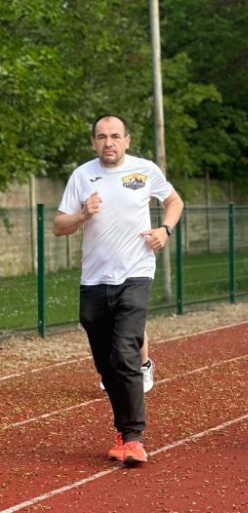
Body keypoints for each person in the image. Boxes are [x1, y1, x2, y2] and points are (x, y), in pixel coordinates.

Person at [53, 115, 183, 466]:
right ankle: (123, 430)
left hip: (135, 273)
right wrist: (83, 213)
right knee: (106, 363)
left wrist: (165, 230)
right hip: (94, 280)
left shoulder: (145, 170)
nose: (108, 142)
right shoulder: (82, 176)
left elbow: (175, 202)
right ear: (93, 142)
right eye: (101, 137)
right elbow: (59, 226)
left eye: (114, 136)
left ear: (126, 139)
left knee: (125, 349)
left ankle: (133, 437)